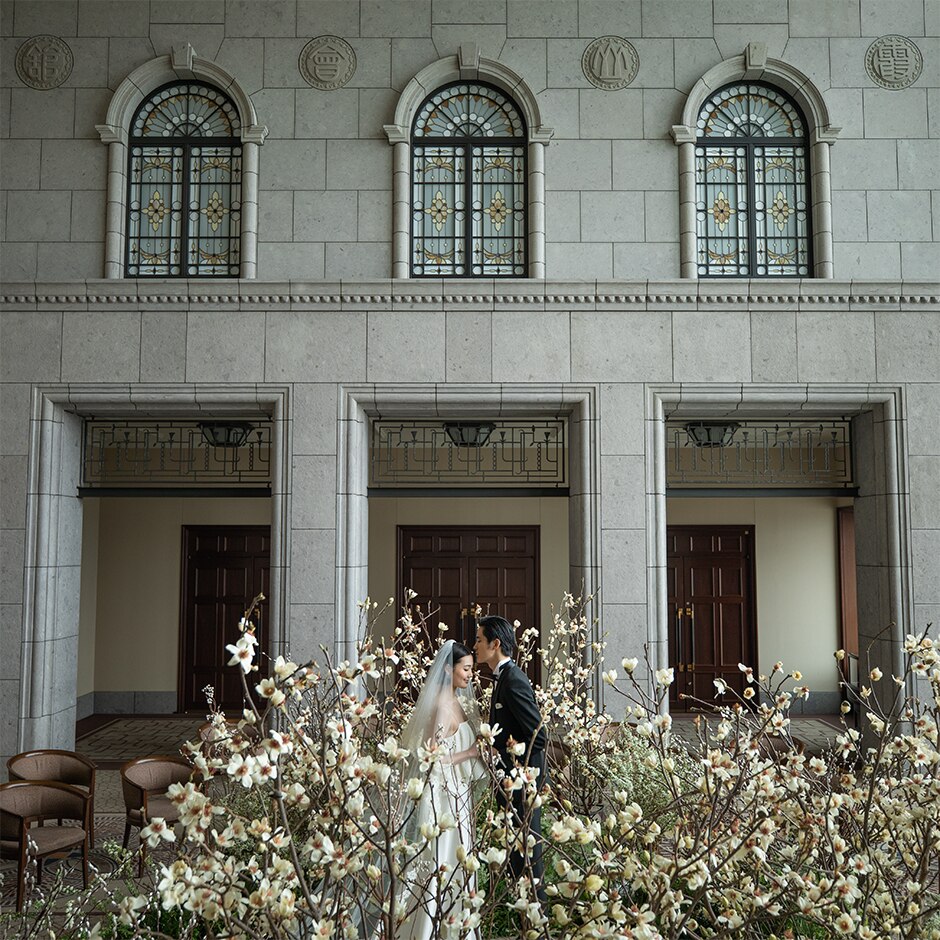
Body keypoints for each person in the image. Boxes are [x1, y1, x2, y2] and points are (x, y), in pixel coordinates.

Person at [394, 639, 485, 940]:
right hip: (442, 795)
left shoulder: (458, 702)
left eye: (471, 669)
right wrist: (470, 753)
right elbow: (430, 756)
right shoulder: (441, 706)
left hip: (456, 792)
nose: (471, 674)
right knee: (442, 861)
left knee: (458, 862)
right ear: (449, 668)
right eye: (466, 669)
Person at [473, 615, 548, 906]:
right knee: (518, 853)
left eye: (479, 639)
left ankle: (535, 921)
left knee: (527, 855)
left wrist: (506, 754)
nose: (475, 645)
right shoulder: (502, 676)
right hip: (511, 781)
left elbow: (539, 736)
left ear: (495, 644)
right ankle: (524, 919)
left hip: (523, 783)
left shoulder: (513, 679)